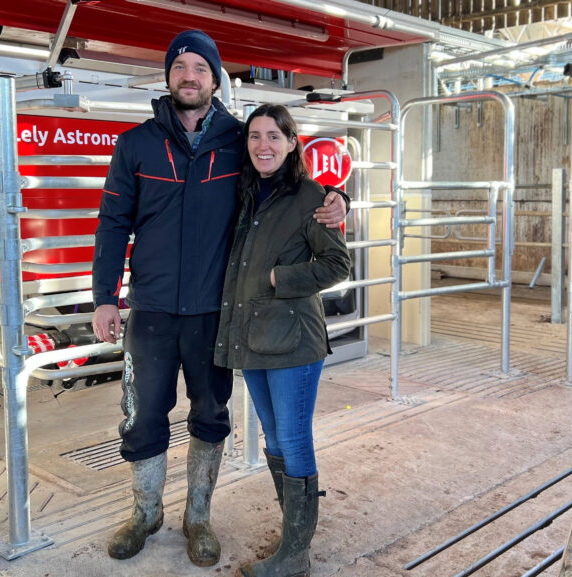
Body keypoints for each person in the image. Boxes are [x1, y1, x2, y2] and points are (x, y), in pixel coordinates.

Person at [91, 30, 349, 567]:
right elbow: (112, 224)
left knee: (211, 413)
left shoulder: (237, 139)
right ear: (168, 76)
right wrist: (105, 297)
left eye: (200, 68)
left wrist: (338, 198)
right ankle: (145, 513)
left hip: (217, 312)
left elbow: (287, 175)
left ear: (215, 78)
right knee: (142, 416)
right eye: (180, 65)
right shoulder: (135, 144)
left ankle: (199, 516)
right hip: (153, 309)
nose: (189, 75)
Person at [213, 103, 351, 577]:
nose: (263, 145)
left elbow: (337, 265)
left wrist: (278, 277)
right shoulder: (246, 193)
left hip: (292, 340)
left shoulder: (310, 195)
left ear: (293, 143)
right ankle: (293, 538)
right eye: (255, 136)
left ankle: (295, 555)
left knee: (292, 437)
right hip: (253, 338)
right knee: (274, 436)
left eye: (274, 136)